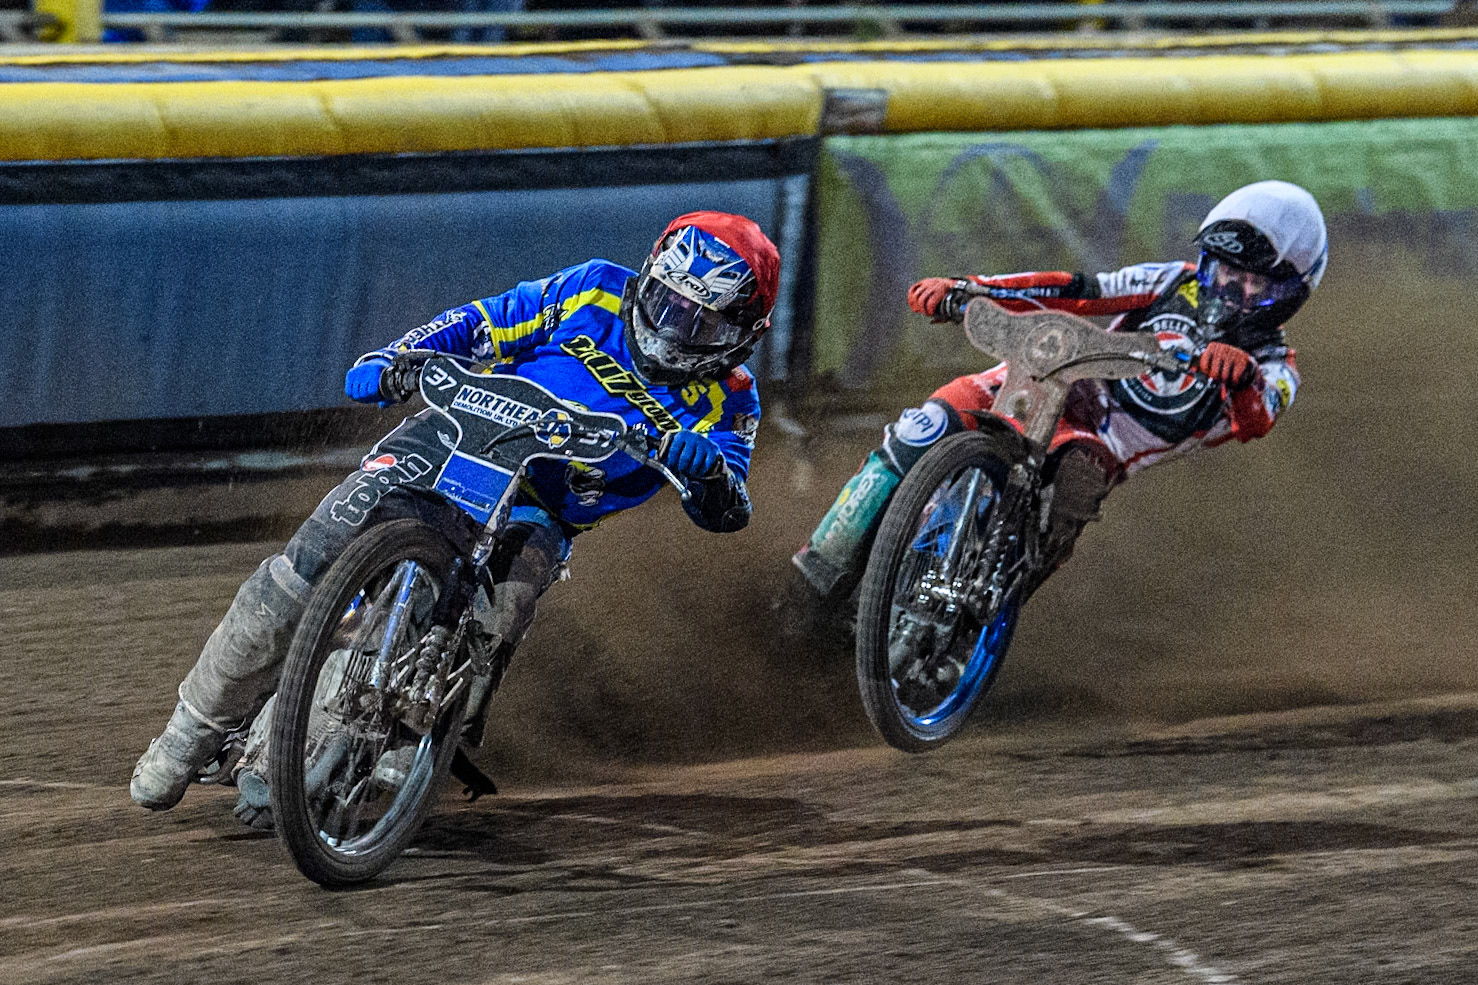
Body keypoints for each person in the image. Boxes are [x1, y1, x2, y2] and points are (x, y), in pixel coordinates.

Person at [132, 211, 776, 821]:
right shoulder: (595, 288)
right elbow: (486, 320)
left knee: (507, 606)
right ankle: (189, 732)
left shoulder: (733, 401)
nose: (672, 330)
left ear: (742, 335)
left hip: (541, 505)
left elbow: (730, 509)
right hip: (453, 438)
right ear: (647, 279)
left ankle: (417, 735)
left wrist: (708, 470)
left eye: (701, 324)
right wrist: (394, 360)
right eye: (667, 304)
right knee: (298, 571)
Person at [793, 179, 1325, 606]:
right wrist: (972, 288)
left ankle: (982, 619)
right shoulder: (1170, 282)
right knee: (924, 426)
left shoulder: (1277, 365)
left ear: (1292, 294)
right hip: (1049, 379)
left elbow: (1258, 419)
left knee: (1073, 486)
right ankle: (815, 568)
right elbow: (1078, 291)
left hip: (1106, 442)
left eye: (1258, 283)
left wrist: (1244, 377)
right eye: (1227, 270)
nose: (1236, 289)